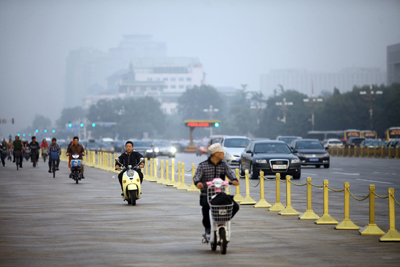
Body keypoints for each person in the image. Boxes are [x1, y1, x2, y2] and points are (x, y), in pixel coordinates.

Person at [193, 143, 240, 238]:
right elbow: (196, 176)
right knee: (206, 208)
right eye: (222, 152)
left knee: (234, 206)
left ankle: (222, 221)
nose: (224, 153)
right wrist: (198, 183)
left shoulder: (224, 165)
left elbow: (231, 174)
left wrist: (234, 180)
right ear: (215, 153)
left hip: (220, 195)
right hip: (207, 194)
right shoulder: (203, 165)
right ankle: (207, 229)